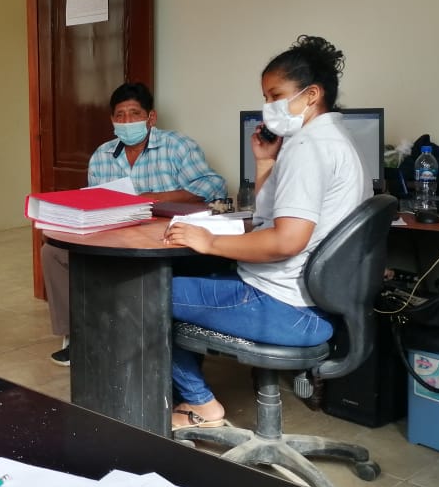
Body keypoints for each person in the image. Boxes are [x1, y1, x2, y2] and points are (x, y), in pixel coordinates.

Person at [164, 36, 369, 431]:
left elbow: (285, 240)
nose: (268, 106)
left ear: (312, 95)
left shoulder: (309, 147)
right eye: (265, 97)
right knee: (192, 277)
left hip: (281, 307)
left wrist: (209, 241)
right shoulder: (334, 140)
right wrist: (264, 163)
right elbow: (273, 216)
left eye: (276, 95)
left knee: (146, 295)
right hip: (314, 305)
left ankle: (200, 405)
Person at [43, 82, 227, 365]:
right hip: (114, 234)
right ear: (112, 120)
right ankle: (77, 335)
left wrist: (152, 198)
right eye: (120, 115)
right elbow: (93, 201)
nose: (127, 121)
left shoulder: (177, 146)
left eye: (134, 114)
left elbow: (213, 186)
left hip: (165, 237)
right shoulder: (102, 156)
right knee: (53, 252)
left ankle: (149, 342)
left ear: (151, 117)